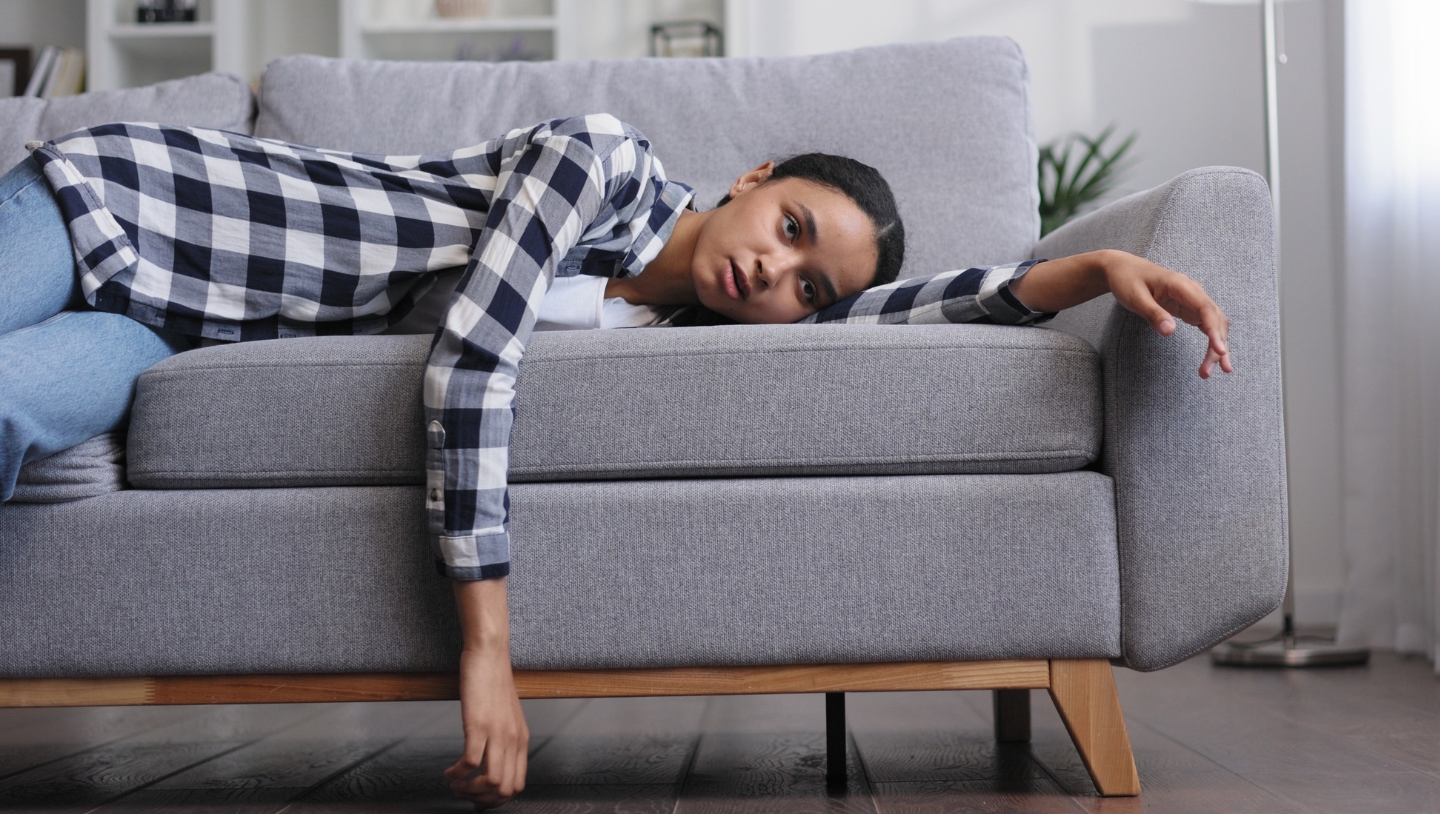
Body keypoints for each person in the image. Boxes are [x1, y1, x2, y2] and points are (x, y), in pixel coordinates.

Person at [0, 114, 1231, 807]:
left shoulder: (677, 324)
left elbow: (907, 314)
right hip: (126, 203)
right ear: (751, 180)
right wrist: (489, 651)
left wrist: (1085, 274)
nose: (777, 273)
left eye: (809, 285)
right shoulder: (602, 162)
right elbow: (474, 359)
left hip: (162, 325)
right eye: (788, 228)